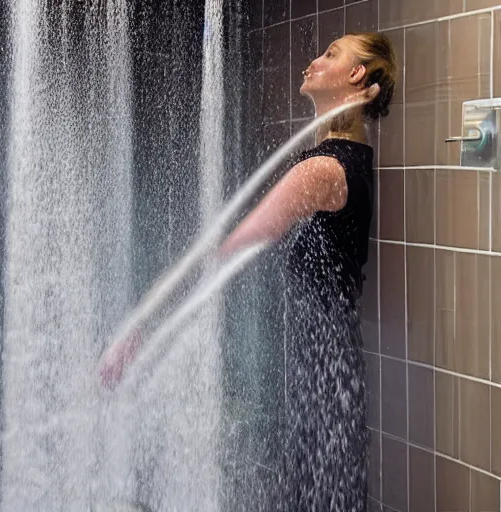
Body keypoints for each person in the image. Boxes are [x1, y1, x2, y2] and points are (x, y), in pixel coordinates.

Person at [100, 31, 397, 512]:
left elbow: (226, 252)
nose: (312, 62)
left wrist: (142, 328)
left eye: (330, 55)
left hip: (319, 373)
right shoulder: (351, 160)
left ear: (356, 74)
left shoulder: (320, 171)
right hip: (329, 366)